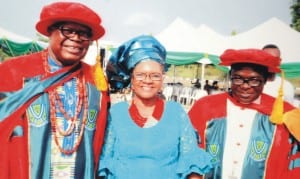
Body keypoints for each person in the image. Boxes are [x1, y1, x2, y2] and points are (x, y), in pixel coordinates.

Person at [0, 2, 109, 178]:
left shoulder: (95, 81)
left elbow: (99, 140)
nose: (76, 38)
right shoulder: (13, 73)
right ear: (50, 32)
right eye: (67, 30)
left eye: (84, 33)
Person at [98, 35, 214, 178]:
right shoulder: (116, 113)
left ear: (162, 80)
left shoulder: (176, 112)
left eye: (155, 76)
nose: (147, 81)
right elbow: (104, 161)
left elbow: (191, 160)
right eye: (140, 75)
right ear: (131, 79)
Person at [188, 49, 299, 179]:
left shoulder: (285, 114)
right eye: (238, 79)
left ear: (265, 80)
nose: (245, 86)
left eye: (254, 80)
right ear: (230, 76)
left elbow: (295, 158)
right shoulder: (206, 106)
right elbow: (188, 147)